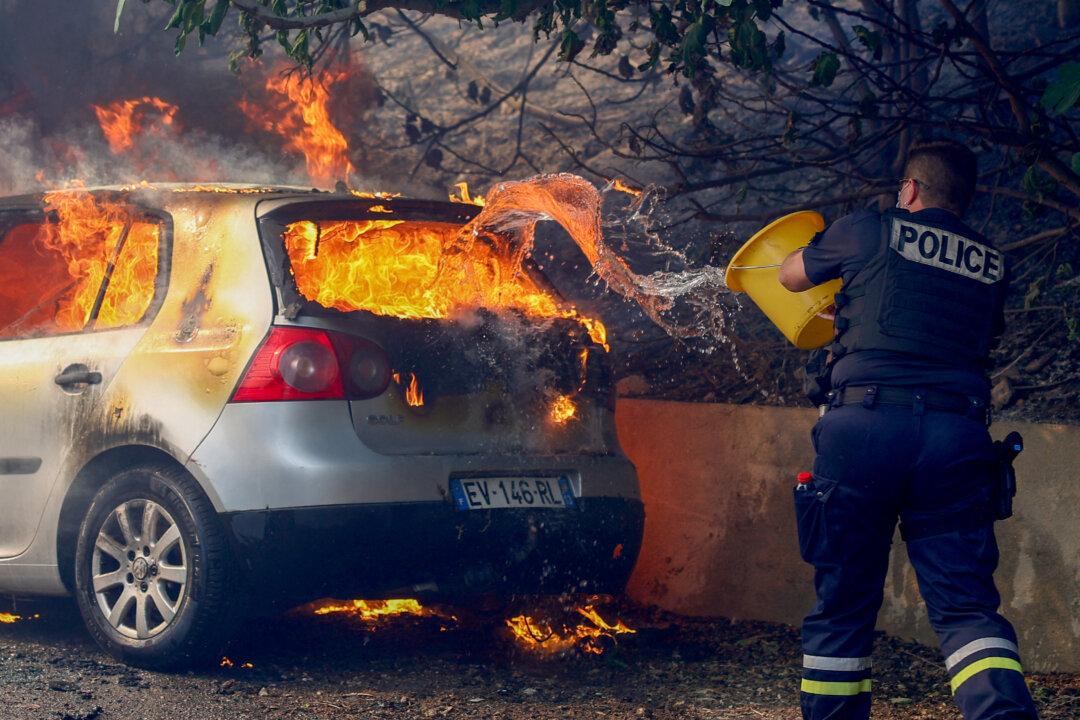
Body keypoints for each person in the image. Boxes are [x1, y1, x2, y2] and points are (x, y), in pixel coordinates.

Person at [777, 139, 1039, 720]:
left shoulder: (870, 228)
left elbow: (789, 275)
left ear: (911, 189)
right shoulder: (993, 262)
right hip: (955, 438)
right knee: (968, 608)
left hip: (864, 431)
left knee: (845, 600)